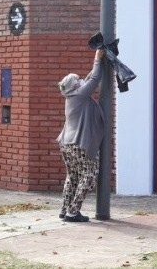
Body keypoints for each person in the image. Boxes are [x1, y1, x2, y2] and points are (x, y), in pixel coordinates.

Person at [56, 48, 106, 222]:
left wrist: (99, 61)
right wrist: (97, 59)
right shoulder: (80, 95)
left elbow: (88, 79)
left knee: (73, 176)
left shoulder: (72, 95)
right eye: (78, 80)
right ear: (75, 86)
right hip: (80, 143)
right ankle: (73, 212)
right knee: (89, 175)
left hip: (66, 143)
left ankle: (64, 210)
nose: (81, 80)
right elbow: (94, 78)